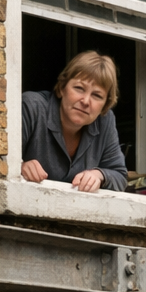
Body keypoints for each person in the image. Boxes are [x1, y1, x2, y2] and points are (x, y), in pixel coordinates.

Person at [20, 51, 128, 193]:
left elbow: (120, 175)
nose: (85, 101)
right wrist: (20, 166)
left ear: (105, 105)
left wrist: (99, 175)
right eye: (79, 88)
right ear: (61, 88)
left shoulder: (105, 121)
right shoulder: (31, 107)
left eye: (97, 95)